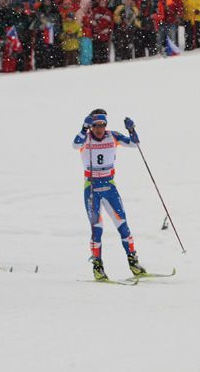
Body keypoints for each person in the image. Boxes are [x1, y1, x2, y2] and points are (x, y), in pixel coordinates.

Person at [72, 111, 147, 281]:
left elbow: (135, 144)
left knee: (123, 226)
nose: (100, 129)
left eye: (102, 125)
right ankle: (98, 267)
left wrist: (132, 129)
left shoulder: (112, 136)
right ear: (92, 126)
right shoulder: (86, 138)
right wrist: (84, 128)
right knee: (97, 229)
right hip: (92, 188)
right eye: (96, 125)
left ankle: (133, 263)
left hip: (109, 187)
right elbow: (75, 145)